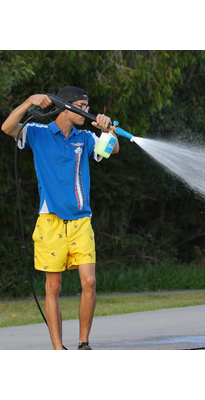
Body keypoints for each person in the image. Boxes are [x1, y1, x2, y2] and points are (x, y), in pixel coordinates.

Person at [2, 86, 119, 350]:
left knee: (89, 281)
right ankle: (57, 347)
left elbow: (113, 150)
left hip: (81, 222)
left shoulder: (85, 137)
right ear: (66, 107)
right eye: (81, 106)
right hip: (50, 222)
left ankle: (83, 343)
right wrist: (29, 101)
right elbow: (8, 127)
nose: (85, 112)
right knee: (52, 287)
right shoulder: (38, 134)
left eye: (88, 107)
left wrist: (107, 130)